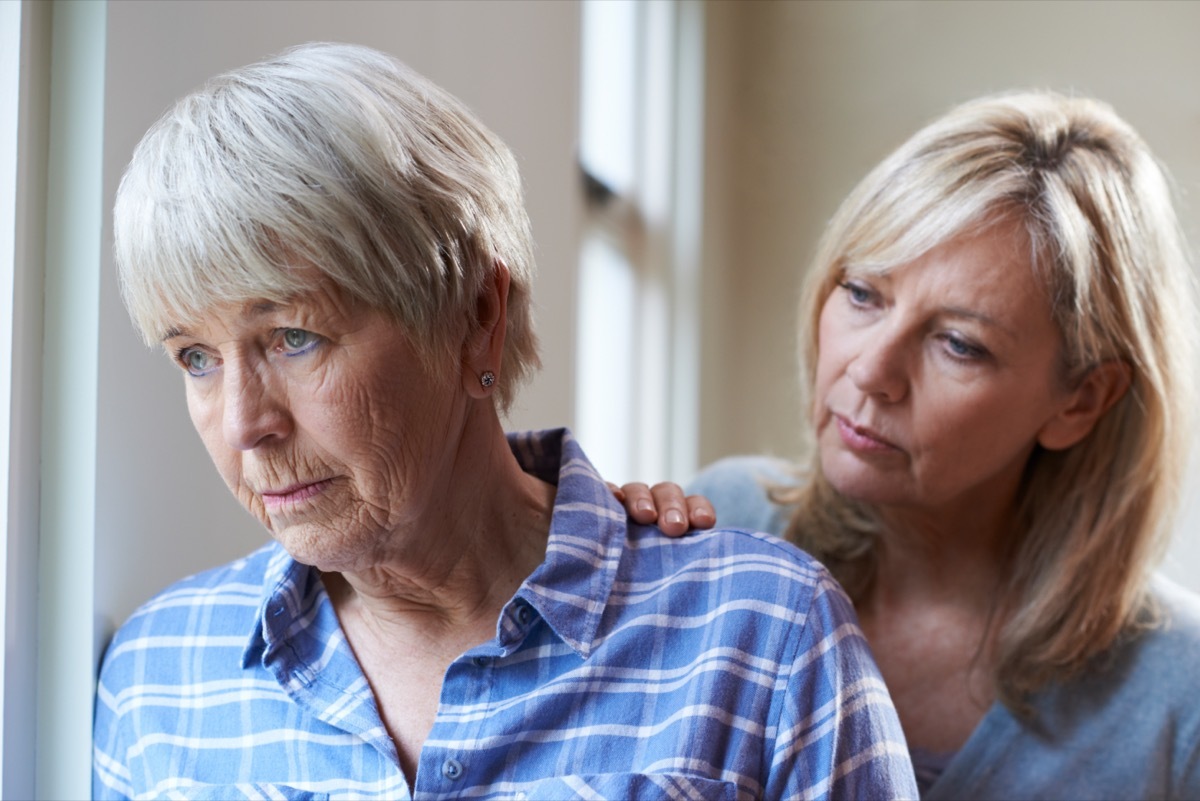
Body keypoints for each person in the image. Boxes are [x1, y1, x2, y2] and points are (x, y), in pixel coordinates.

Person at [92, 42, 917, 801]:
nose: (244, 423)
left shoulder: (762, 634)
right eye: (195, 357)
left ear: (477, 316)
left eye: (295, 338)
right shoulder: (157, 674)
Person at [620, 90, 1200, 799]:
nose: (870, 369)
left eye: (959, 343)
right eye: (864, 292)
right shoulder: (721, 520)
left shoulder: (1180, 694)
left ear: (1080, 401)